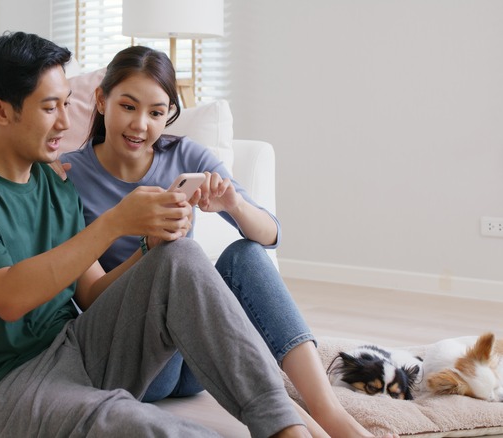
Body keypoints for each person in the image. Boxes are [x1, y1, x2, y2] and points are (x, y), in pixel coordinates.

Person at [0, 31, 311, 438]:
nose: (66, 122)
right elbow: (9, 299)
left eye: (66, 104)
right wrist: (116, 221)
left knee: (180, 257)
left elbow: (89, 294)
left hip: (77, 348)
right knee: (145, 427)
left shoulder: (54, 184)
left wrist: (150, 251)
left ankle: (285, 429)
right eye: (50, 108)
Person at [60, 45, 385, 438]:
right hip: (141, 363)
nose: (140, 125)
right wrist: (148, 251)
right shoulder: (68, 178)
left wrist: (233, 204)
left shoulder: (185, 155)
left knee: (244, 253)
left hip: (196, 358)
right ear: (101, 99)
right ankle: (296, 425)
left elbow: (271, 234)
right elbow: (90, 296)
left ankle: (329, 412)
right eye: (128, 106)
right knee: (179, 252)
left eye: (156, 113)